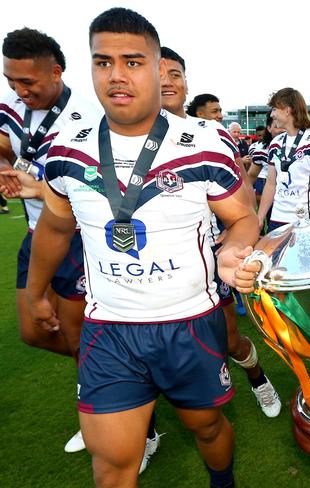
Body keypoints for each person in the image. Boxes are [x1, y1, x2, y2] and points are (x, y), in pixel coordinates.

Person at [26, 8, 259, 487]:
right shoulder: (68, 147)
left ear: (158, 69)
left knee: (209, 427)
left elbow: (241, 217)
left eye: (133, 62)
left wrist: (234, 249)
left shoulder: (204, 144)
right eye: (102, 62)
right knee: (111, 465)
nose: (116, 75)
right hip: (110, 329)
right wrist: (36, 291)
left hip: (190, 322)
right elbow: (54, 227)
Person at [160, 45, 281, 417]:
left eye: (175, 75)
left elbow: (243, 199)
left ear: (185, 82)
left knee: (229, 338)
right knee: (152, 355)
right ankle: (142, 428)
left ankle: (258, 378)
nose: (166, 83)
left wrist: (234, 236)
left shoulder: (210, 134)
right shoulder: (110, 136)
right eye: (156, 74)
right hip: (148, 268)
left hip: (208, 257)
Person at [0, 27, 97, 454]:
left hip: (77, 235)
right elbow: (7, 145)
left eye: (28, 82)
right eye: (11, 81)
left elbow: (95, 183)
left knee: (78, 340)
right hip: (35, 233)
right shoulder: (12, 107)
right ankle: (119, 377)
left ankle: (104, 410)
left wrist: (38, 187)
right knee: (34, 333)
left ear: (56, 72)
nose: (20, 91)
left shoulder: (91, 113)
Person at [257, 87, 310, 232]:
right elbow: (270, 183)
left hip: (303, 221)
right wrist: (260, 217)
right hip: (276, 219)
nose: (272, 114)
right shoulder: (276, 143)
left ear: (287, 110)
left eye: (275, 109)